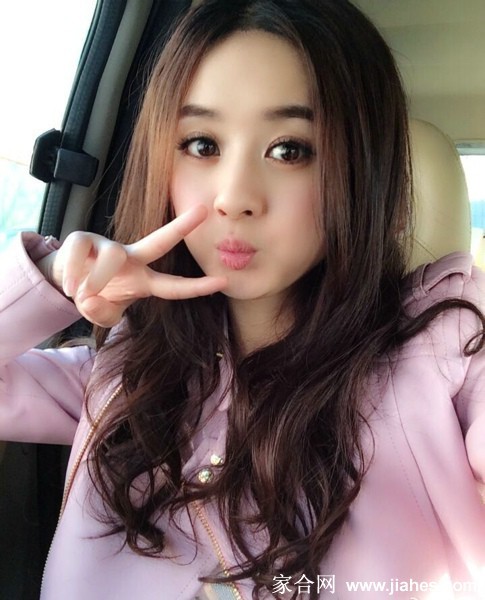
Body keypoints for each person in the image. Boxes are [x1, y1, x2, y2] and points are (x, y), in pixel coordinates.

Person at [1, 0, 485, 598]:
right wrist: (52, 277)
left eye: (290, 150)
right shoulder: (127, 376)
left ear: (362, 170)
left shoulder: (444, 360)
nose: (234, 197)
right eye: (202, 144)